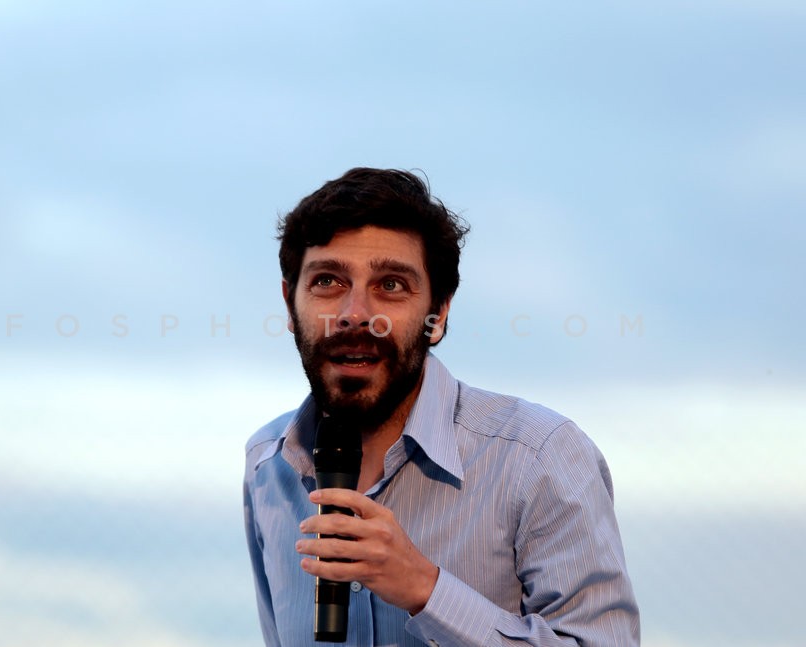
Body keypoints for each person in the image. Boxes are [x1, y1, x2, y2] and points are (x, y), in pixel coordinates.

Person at [243, 168, 640, 646]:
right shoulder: (268, 464)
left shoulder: (540, 457)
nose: (355, 314)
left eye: (391, 285)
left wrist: (426, 590)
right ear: (290, 304)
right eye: (327, 280)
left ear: (439, 314)